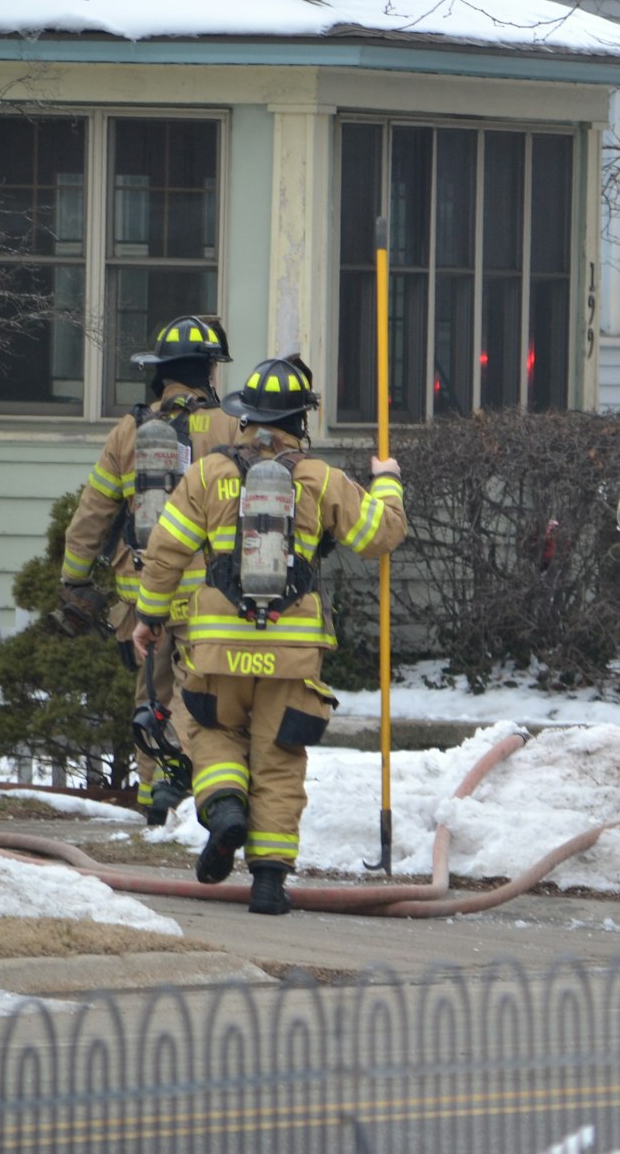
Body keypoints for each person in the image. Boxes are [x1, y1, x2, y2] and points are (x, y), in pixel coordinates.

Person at [132, 355, 406, 915]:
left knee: (213, 736)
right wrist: (387, 481)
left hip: (217, 649)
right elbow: (383, 534)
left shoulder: (207, 474)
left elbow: (165, 552)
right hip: (290, 654)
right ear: (300, 419)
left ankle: (226, 809)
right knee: (279, 762)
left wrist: (149, 617)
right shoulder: (320, 479)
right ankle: (268, 884)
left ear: (246, 415)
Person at [58, 315, 240, 824]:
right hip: (208, 595)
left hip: (142, 595)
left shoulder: (130, 431)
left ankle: (151, 806)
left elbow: (93, 513)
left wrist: (73, 580)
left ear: (160, 372)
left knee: (151, 695)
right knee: (194, 691)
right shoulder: (232, 429)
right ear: (209, 371)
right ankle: (175, 792)